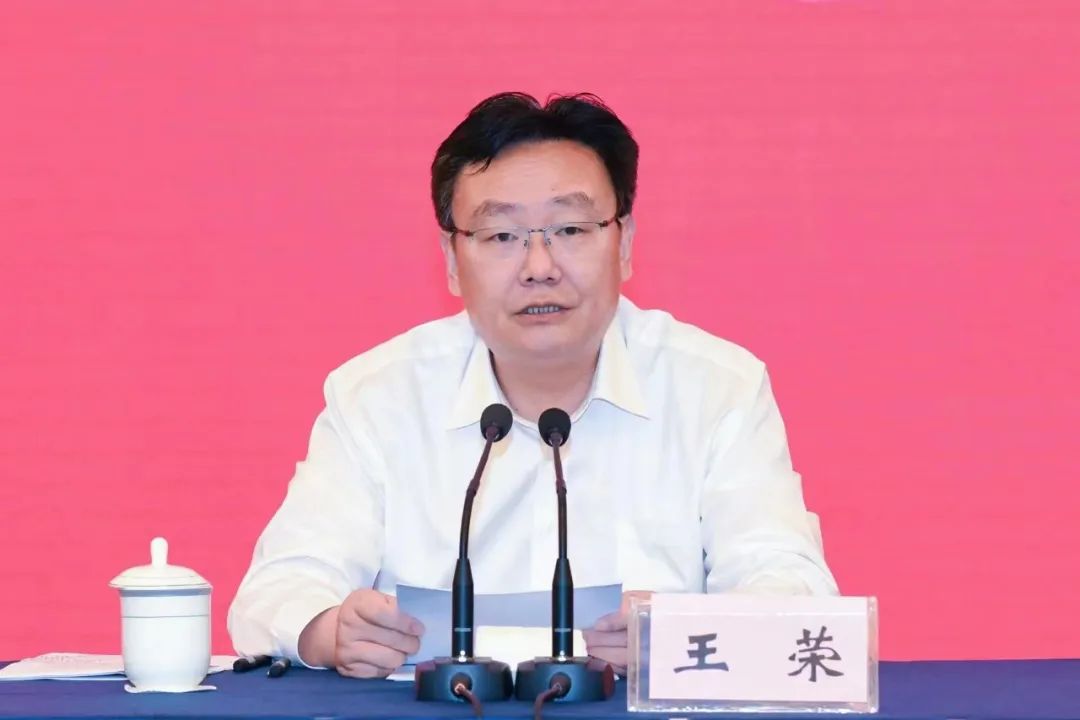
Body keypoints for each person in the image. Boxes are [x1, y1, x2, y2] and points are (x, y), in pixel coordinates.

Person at [228, 92, 837, 679]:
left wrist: (682, 632)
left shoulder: (717, 389)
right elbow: (277, 590)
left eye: (570, 230)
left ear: (624, 243)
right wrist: (330, 631)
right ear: (451, 259)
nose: (539, 267)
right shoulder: (378, 396)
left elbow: (793, 589)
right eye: (501, 236)